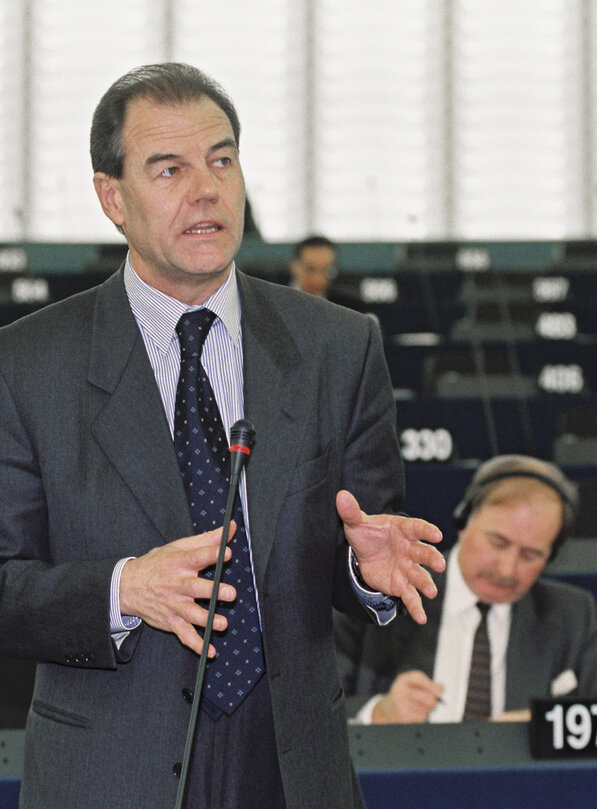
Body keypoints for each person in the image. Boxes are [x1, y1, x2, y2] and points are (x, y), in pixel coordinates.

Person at [0, 63, 444, 809]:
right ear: (113, 197)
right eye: (168, 168)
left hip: (292, 768)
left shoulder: (339, 346)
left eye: (221, 159)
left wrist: (366, 572)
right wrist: (122, 589)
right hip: (108, 771)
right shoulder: (27, 363)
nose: (204, 189)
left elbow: (360, 543)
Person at [335, 454, 597, 725]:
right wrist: (377, 713)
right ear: (463, 522)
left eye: (531, 556)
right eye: (498, 543)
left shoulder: (573, 615)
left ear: (551, 555)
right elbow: (308, 713)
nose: (507, 569)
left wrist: (543, 727)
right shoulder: (382, 593)